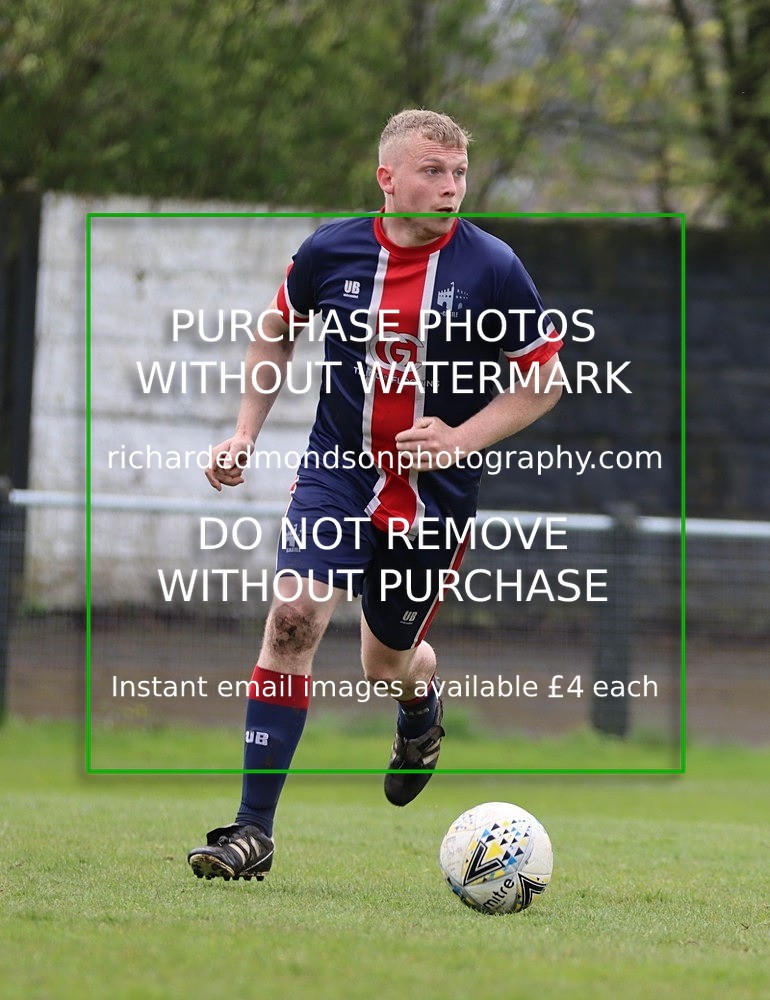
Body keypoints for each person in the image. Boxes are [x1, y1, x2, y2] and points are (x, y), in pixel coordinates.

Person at [187, 109, 563, 881]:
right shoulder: (332, 249)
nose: (451, 187)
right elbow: (276, 330)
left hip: (434, 498)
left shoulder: (492, 266)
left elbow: (543, 380)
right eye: (433, 170)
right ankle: (251, 832)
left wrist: (460, 439)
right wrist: (244, 432)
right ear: (387, 178)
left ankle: (418, 708)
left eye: (460, 173)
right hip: (339, 472)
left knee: (385, 663)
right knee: (293, 619)